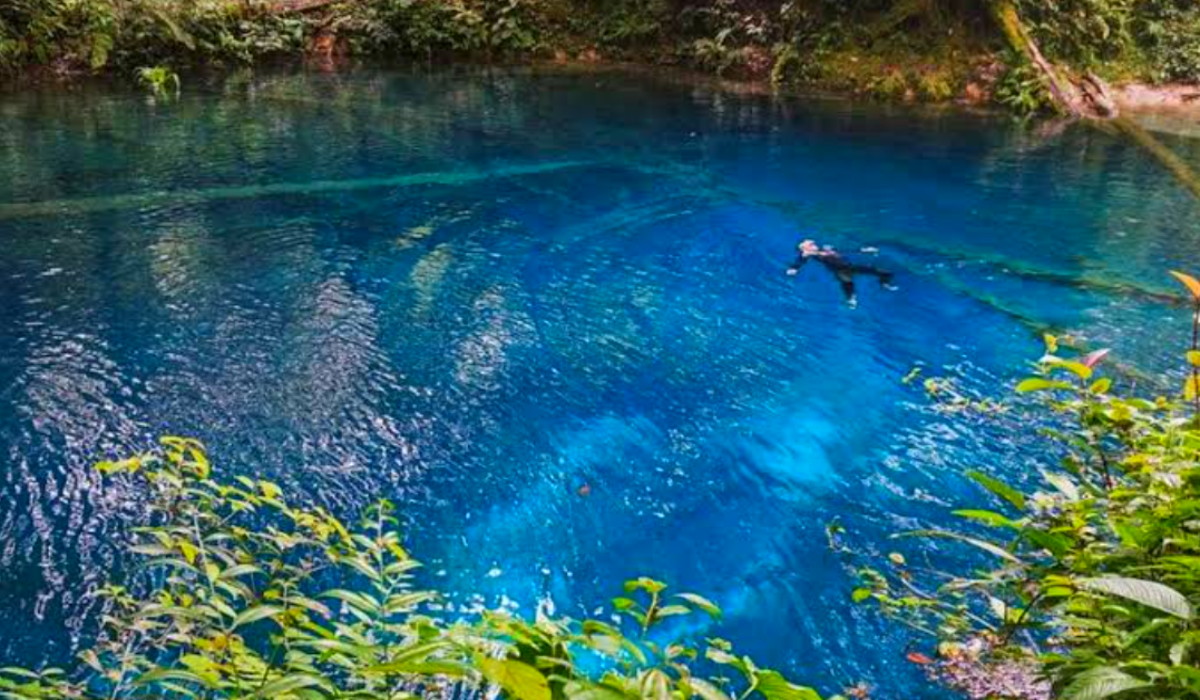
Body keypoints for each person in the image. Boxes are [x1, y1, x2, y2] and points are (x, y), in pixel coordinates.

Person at [786, 239, 896, 307]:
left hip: (851, 267)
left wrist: (863, 250)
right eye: (810, 243)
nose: (813, 243)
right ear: (805, 248)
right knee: (848, 285)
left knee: (885, 273)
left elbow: (844, 250)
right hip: (840, 271)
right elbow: (801, 259)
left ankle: (884, 284)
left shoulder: (825, 249)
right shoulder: (808, 253)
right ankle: (851, 300)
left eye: (812, 243)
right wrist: (795, 268)